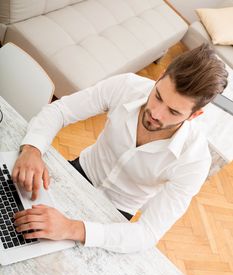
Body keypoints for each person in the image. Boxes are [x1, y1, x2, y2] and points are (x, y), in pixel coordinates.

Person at [12, 44, 228, 253]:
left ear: (194, 115)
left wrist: (71, 228)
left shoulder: (195, 161)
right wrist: (32, 148)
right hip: (76, 173)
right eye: (158, 96)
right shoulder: (126, 86)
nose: (156, 113)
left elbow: (148, 233)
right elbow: (61, 110)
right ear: (160, 77)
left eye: (173, 112)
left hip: (114, 216)